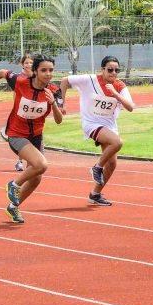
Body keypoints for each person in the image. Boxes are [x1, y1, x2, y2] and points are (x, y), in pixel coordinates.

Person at [0, 54, 64, 224]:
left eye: (51, 70)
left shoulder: (54, 90)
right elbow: (2, 72)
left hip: (36, 136)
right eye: (43, 70)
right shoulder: (21, 82)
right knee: (41, 164)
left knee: (37, 176)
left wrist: (53, 103)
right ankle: (13, 185)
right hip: (16, 134)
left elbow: (59, 120)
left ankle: (13, 207)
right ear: (35, 71)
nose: (48, 74)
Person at [59, 55, 134, 206]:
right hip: (91, 123)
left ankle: (95, 194)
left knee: (112, 164)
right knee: (117, 142)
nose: (113, 73)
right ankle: (97, 167)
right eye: (110, 70)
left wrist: (115, 93)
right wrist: (61, 102)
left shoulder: (119, 86)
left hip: (109, 126)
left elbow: (130, 107)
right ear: (103, 69)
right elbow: (65, 81)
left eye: (116, 70)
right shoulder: (90, 80)